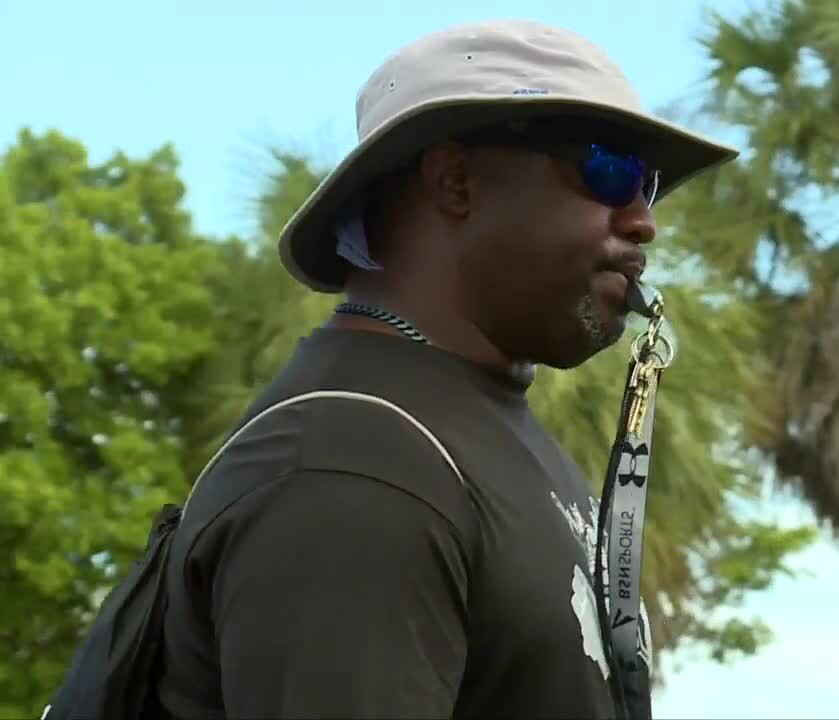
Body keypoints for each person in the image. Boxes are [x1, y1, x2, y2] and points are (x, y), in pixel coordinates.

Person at [153, 18, 738, 720]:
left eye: (648, 183)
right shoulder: (352, 464)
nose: (643, 221)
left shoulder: (470, 433)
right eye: (608, 168)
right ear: (457, 183)